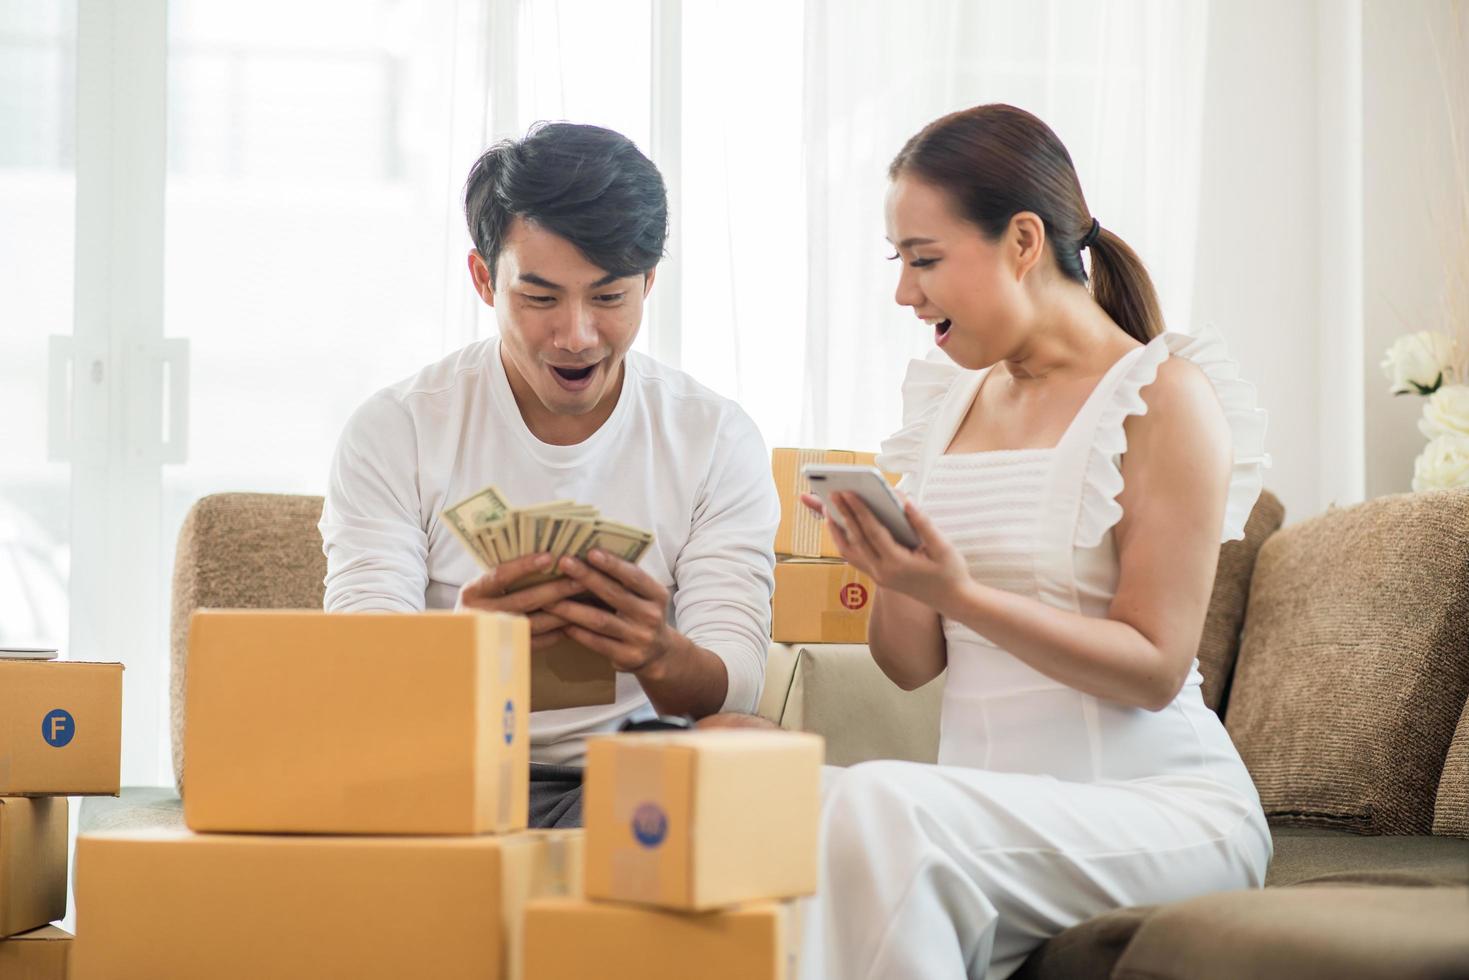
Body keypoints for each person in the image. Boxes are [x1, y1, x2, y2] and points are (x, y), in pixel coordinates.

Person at [797, 104, 1272, 979]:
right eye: (899, 263)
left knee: (877, 808)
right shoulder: (946, 405)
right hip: (998, 811)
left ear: (1021, 241)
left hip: (1159, 810)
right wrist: (889, 568)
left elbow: (1153, 665)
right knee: (791, 810)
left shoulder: (1163, 396)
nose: (905, 293)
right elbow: (909, 664)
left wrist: (958, 593)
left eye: (923, 259)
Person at [319, 122, 780, 828]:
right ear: (484, 280)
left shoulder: (714, 437)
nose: (576, 335)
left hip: (630, 777)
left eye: (608, 297)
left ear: (648, 283)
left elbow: (734, 686)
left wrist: (660, 653)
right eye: (540, 299)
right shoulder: (398, 429)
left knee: (754, 750)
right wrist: (463, 646)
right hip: (442, 766)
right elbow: (360, 670)